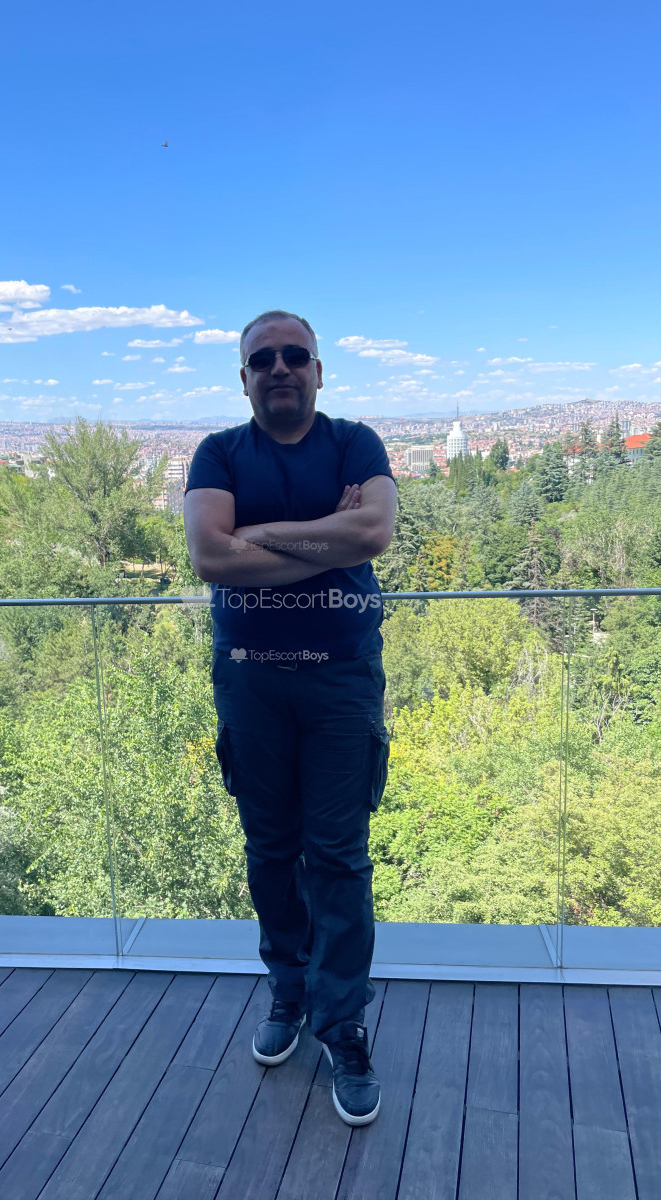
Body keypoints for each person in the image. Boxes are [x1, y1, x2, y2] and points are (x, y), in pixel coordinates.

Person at [183, 309, 397, 1126]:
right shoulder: (218, 452)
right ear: (243, 378)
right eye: (263, 358)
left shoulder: (356, 442)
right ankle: (289, 993)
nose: (280, 367)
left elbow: (373, 530)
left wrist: (261, 535)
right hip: (250, 683)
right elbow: (210, 555)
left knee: (338, 858)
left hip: (343, 681)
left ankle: (343, 1027)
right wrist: (324, 540)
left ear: (318, 370)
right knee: (271, 851)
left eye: (294, 355)